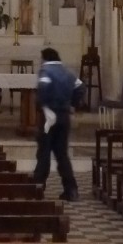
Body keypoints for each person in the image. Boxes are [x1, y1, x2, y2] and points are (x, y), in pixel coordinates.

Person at [33, 46, 85, 201]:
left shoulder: (46, 71)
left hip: (49, 117)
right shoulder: (67, 72)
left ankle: (37, 188)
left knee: (44, 153)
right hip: (64, 117)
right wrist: (73, 104)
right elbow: (81, 87)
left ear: (45, 58)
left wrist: (41, 105)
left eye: (41, 59)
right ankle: (71, 190)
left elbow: (42, 90)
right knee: (62, 155)